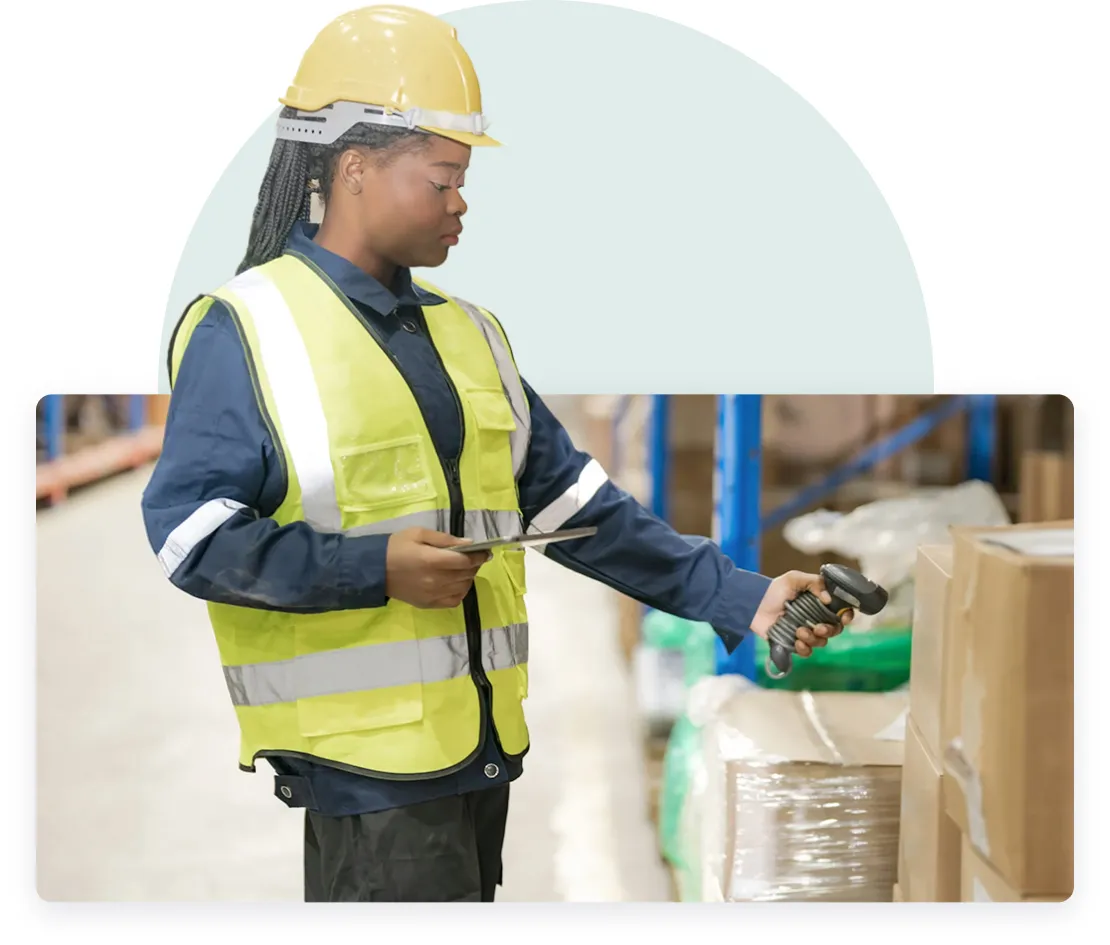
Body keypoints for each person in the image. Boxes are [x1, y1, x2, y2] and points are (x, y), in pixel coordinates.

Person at [140, 4, 851, 903]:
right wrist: (374, 569)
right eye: (441, 176)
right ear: (354, 168)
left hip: (476, 752)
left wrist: (744, 595)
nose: (460, 200)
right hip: (366, 775)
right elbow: (190, 537)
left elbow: (573, 508)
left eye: (463, 179)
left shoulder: (469, 332)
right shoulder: (246, 326)